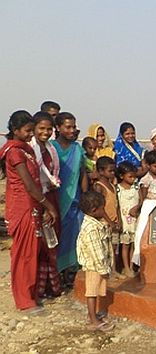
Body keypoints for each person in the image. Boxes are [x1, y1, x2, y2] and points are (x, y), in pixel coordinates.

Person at [0, 111, 58, 313]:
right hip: (22, 206)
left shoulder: (26, 150)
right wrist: (48, 206)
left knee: (32, 251)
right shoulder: (15, 152)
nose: (30, 135)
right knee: (24, 253)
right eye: (27, 131)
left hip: (32, 205)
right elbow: (29, 185)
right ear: (15, 131)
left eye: (30, 131)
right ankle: (24, 300)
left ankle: (31, 294)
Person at [51, 112, 88, 286]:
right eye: (68, 127)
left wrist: (86, 196)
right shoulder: (51, 148)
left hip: (75, 202)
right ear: (58, 128)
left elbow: (83, 174)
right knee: (57, 238)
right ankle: (55, 275)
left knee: (74, 237)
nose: (72, 130)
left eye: (74, 126)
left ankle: (69, 273)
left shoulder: (77, 149)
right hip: (56, 201)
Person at [30, 111, 62, 300]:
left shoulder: (50, 148)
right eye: (41, 128)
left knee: (52, 242)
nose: (46, 132)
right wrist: (45, 207)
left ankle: (52, 286)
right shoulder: (31, 149)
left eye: (49, 129)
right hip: (38, 199)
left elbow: (52, 173)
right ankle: (36, 290)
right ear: (33, 128)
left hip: (51, 195)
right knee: (39, 246)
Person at [76, 191, 115, 332]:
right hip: (94, 266)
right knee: (92, 292)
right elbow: (96, 251)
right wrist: (103, 268)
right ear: (94, 210)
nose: (104, 211)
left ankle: (93, 315)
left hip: (97, 265)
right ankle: (93, 320)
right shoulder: (92, 229)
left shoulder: (95, 223)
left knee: (97, 289)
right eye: (102, 208)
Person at [93, 156, 124, 279]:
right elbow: (99, 207)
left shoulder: (112, 186)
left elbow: (117, 205)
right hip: (104, 222)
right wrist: (109, 221)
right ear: (101, 171)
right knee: (105, 247)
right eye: (110, 171)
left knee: (114, 247)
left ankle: (114, 270)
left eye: (113, 171)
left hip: (114, 222)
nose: (112, 173)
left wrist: (119, 220)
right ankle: (105, 271)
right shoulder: (99, 186)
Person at [116, 162, 141, 278]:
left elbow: (141, 200)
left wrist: (137, 208)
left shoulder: (136, 187)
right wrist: (119, 221)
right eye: (130, 176)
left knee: (133, 245)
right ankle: (125, 267)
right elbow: (117, 206)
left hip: (135, 221)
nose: (133, 179)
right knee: (125, 245)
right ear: (122, 176)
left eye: (134, 176)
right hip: (124, 222)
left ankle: (131, 266)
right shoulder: (118, 189)